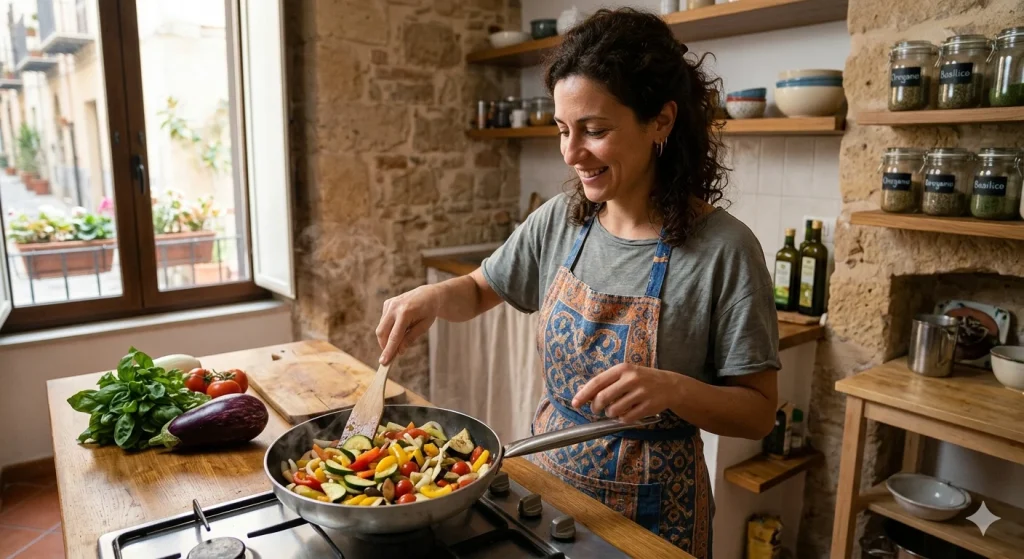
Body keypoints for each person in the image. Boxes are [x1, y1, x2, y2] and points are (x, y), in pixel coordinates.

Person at [375, 8, 779, 557]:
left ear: (660, 121)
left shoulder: (726, 250)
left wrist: (675, 390)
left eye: (595, 130)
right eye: (564, 130)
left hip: (656, 516)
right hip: (546, 491)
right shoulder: (563, 219)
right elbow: (477, 289)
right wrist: (433, 295)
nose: (570, 153)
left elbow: (757, 413)